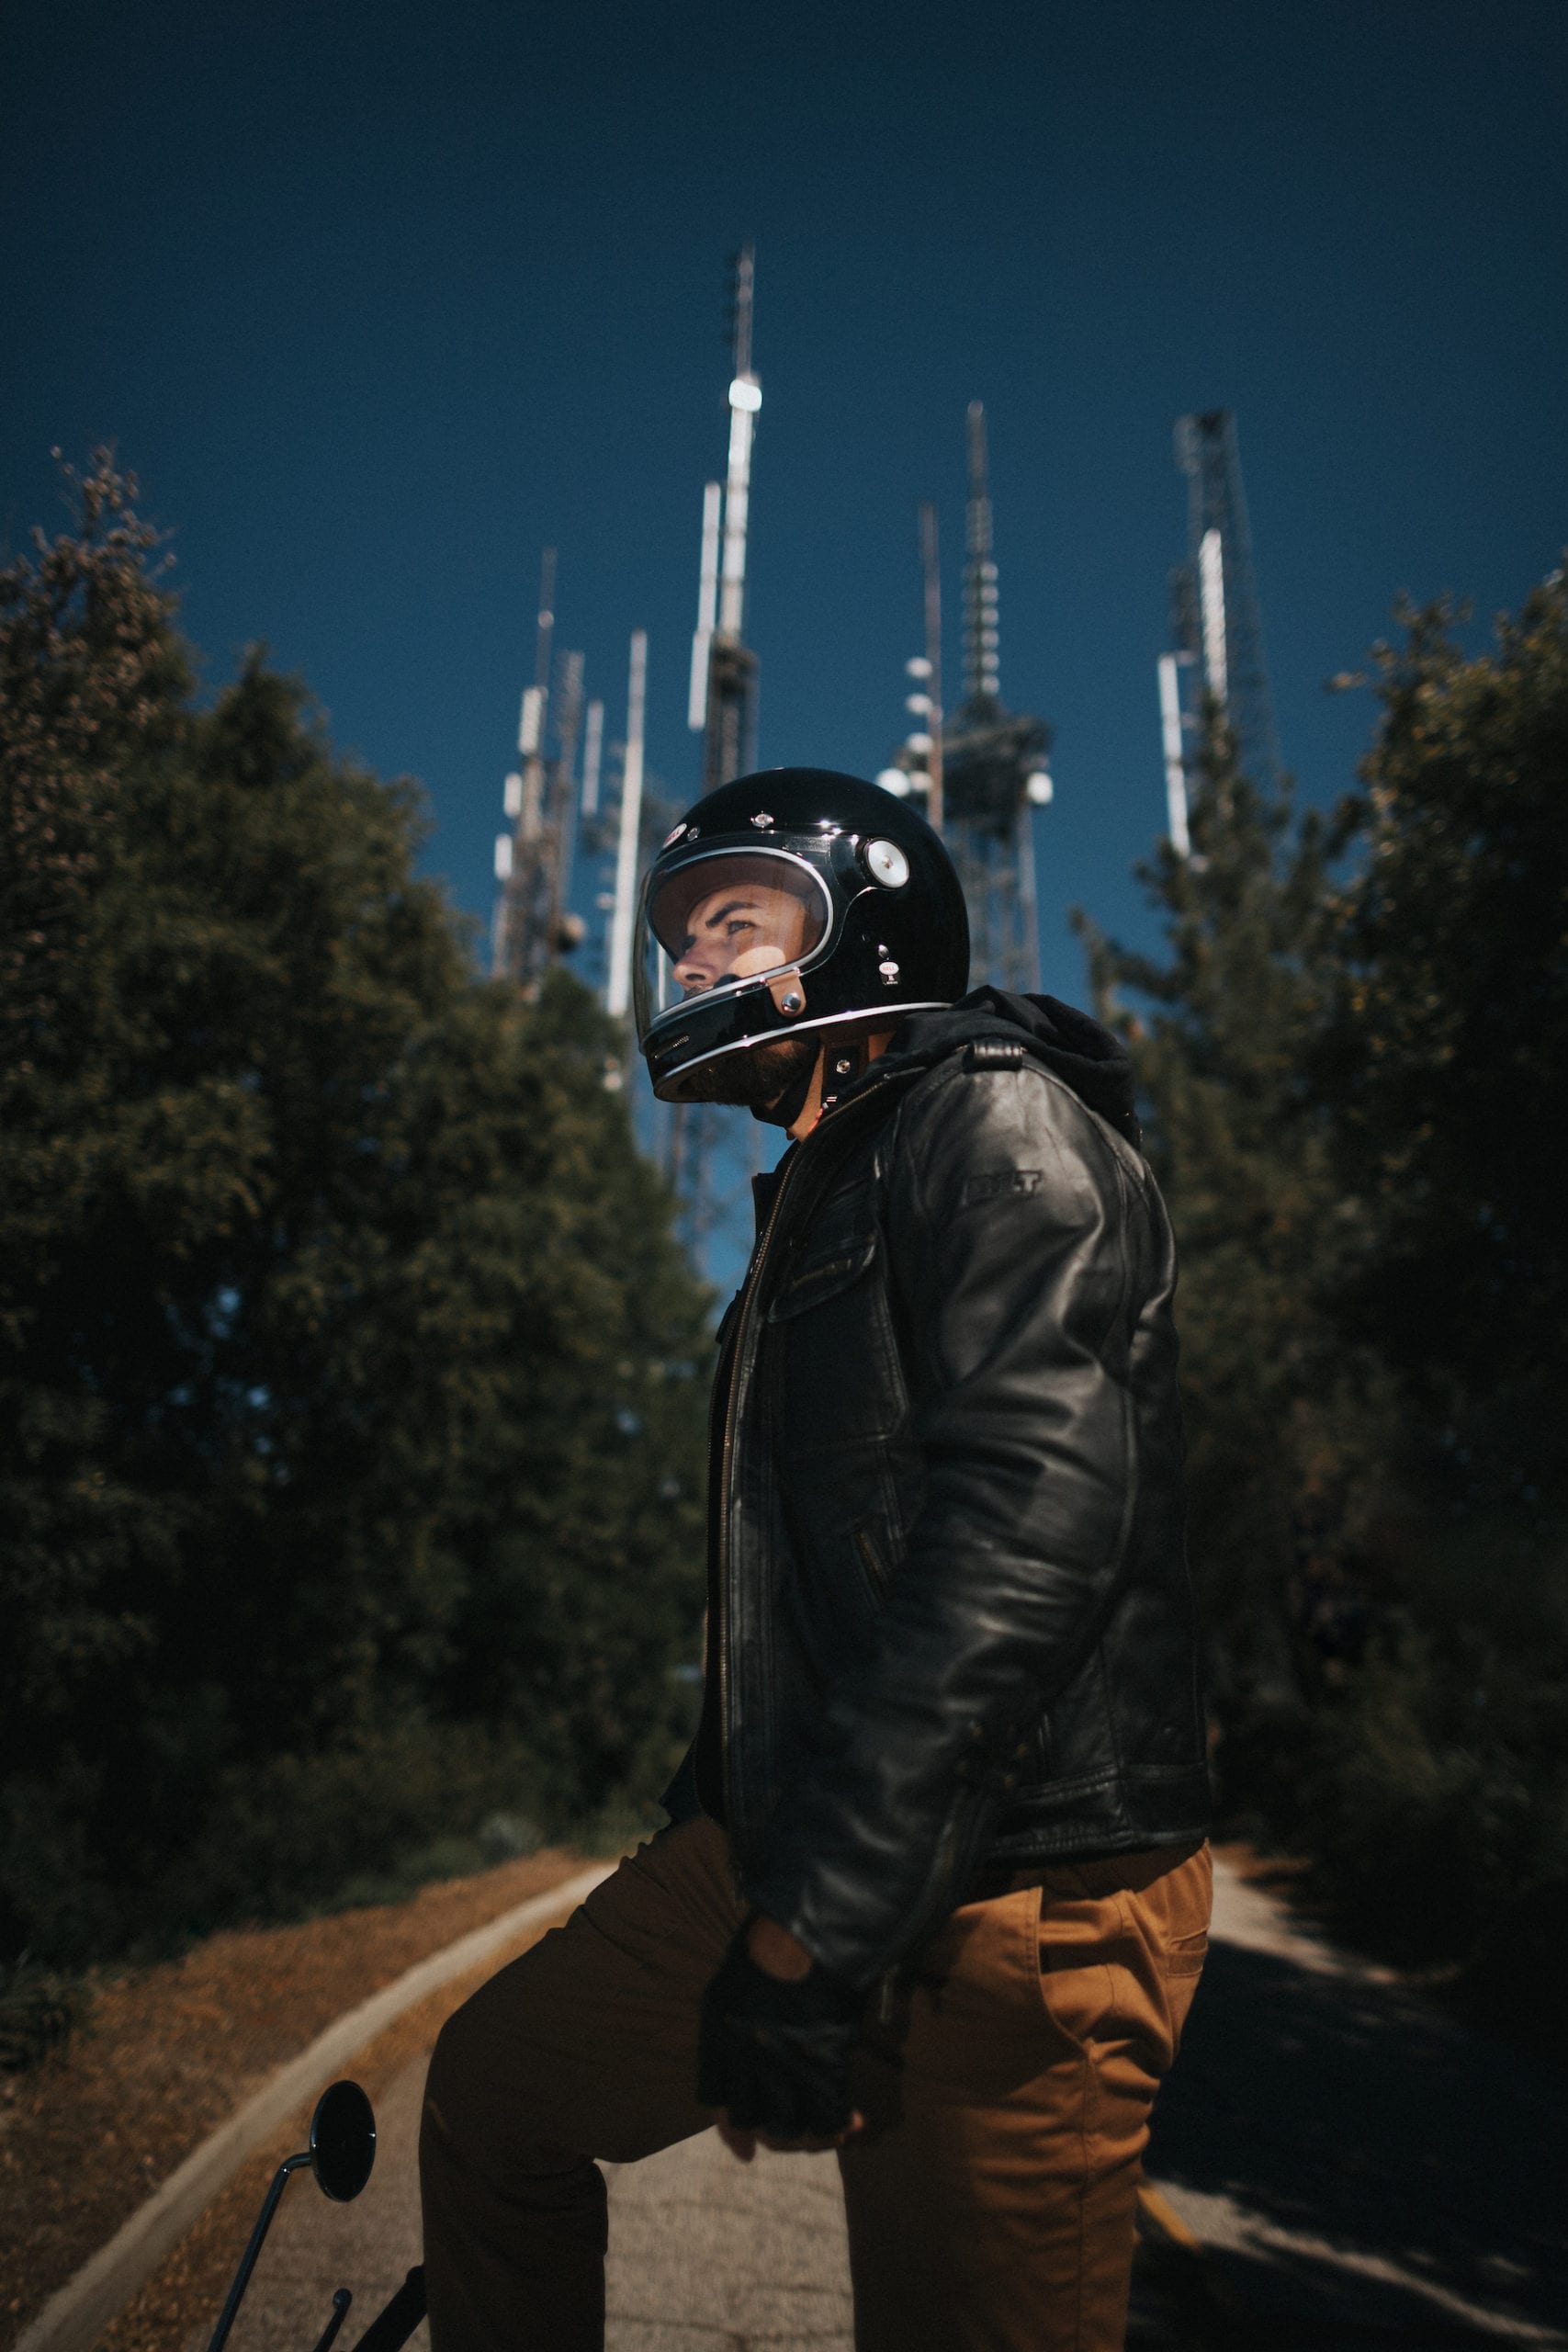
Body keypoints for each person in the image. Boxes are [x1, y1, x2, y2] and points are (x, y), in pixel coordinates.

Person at [420, 769, 1212, 2352]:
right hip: (805, 1823)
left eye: (733, 923)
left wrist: (811, 1931)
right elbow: (815, 1580)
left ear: (867, 936)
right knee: (498, 2097)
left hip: (1016, 1877)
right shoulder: (818, 1197)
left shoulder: (992, 1120)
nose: (693, 969)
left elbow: (1034, 1532)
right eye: (682, 942)